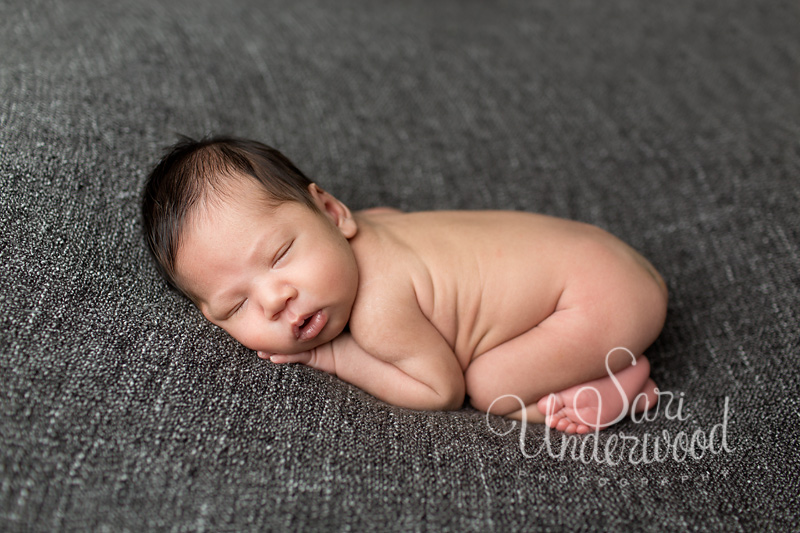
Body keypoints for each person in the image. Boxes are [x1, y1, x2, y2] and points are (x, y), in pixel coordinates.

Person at [141, 136, 668, 434]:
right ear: (210, 318)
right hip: (600, 252)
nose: (275, 299)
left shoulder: (378, 308)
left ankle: (615, 389)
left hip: (600, 299)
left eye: (280, 255)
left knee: (486, 387)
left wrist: (334, 359)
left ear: (331, 210)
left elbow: (441, 392)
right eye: (237, 306)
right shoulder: (369, 225)